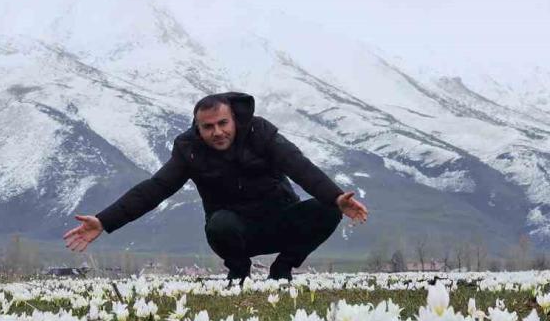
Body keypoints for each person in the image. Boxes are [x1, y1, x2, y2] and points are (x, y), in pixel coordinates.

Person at [63, 91, 368, 281]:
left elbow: (300, 167)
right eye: (208, 127)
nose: (217, 132)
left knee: (327, 210)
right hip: (236, 231)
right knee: (219, 224)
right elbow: (155, 188)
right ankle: (238, 272)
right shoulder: (189, 150)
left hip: (282, 220)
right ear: (198, 129)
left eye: (223, 123)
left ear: (234, 120)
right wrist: (105, 220)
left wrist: (336, 197)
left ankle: (283, 269)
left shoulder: (261, 133)